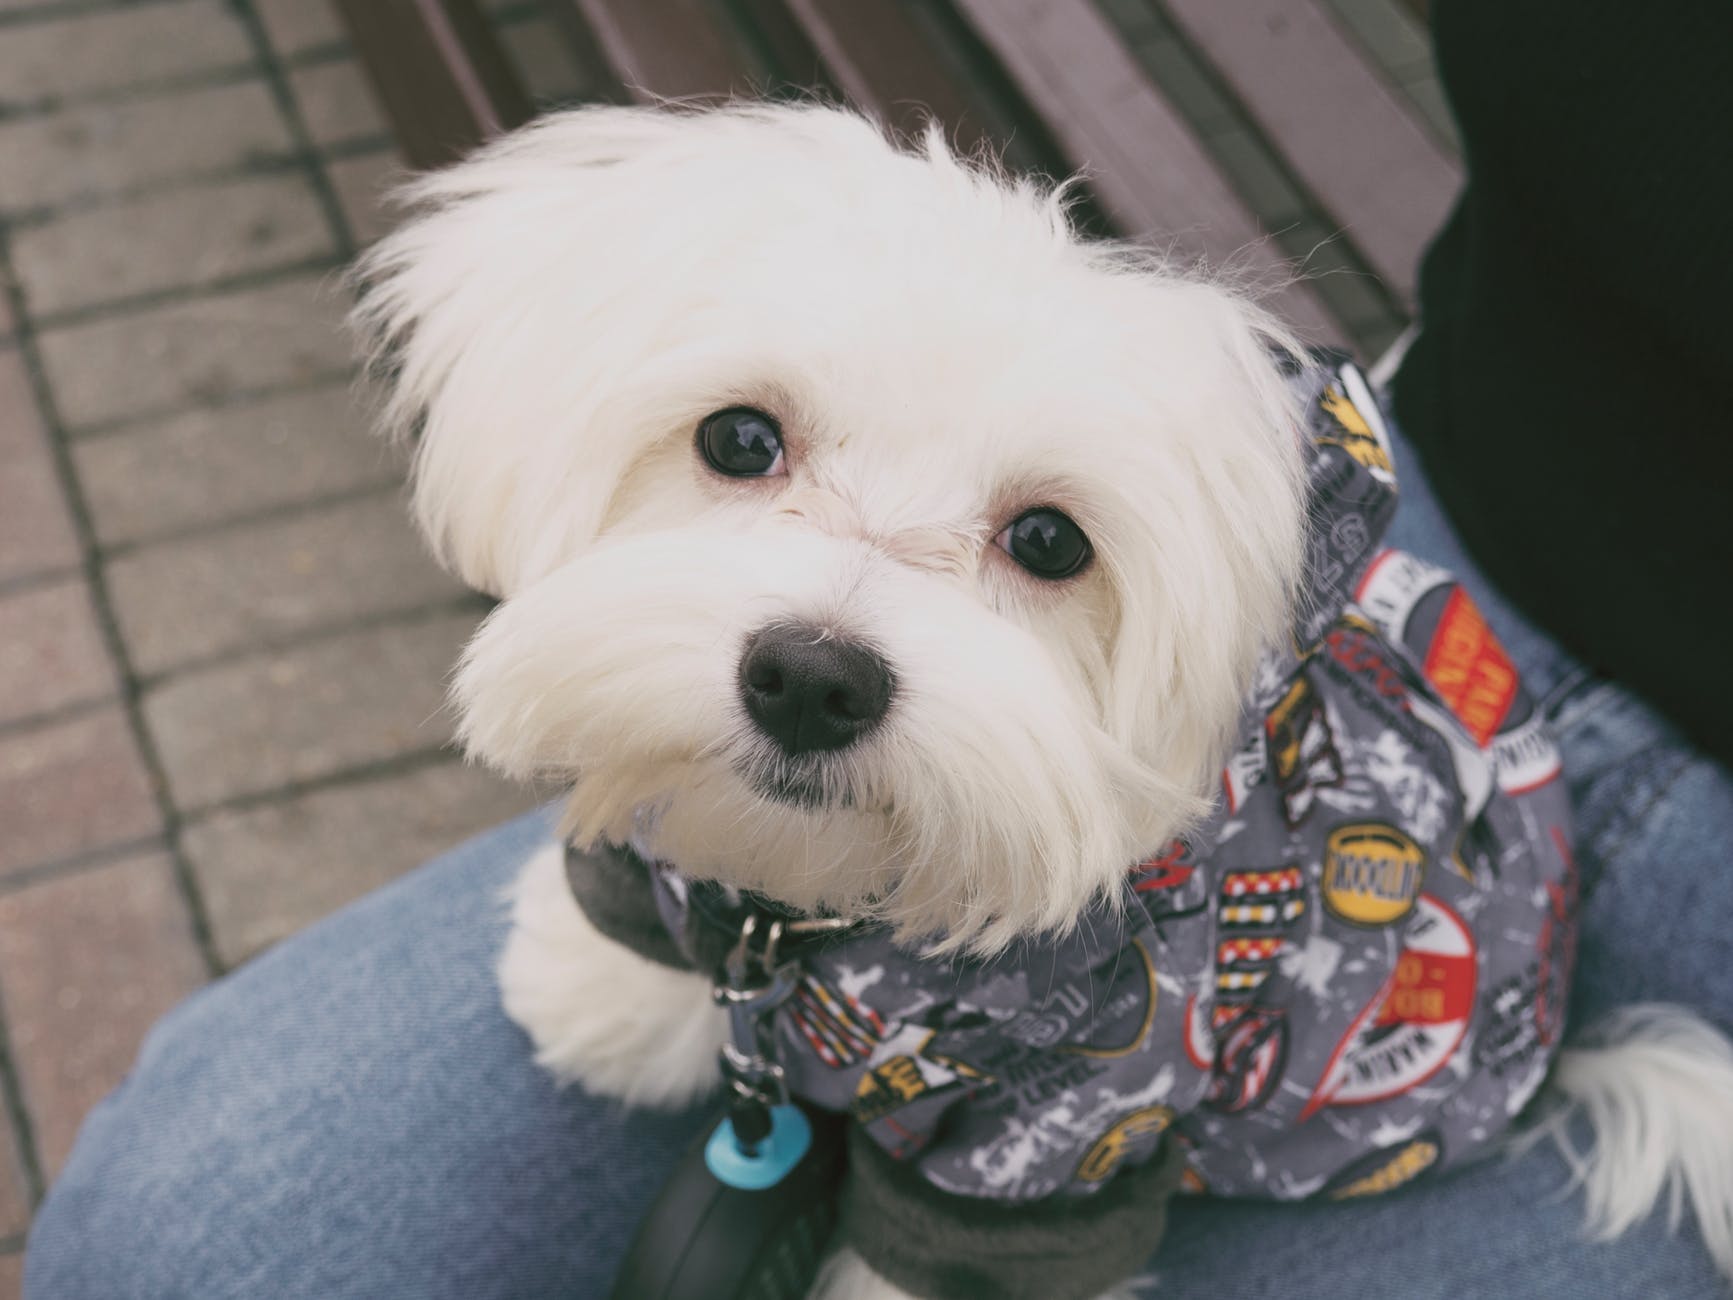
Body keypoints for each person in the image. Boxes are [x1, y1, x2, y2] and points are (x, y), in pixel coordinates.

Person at [24, 1, 1733, 1294]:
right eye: (745, 448)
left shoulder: (1094, 977)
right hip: (1487, 478)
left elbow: (1074, 1109)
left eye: (1039, 545)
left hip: (1382, 995)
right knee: (195, 1230)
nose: (823, 638)